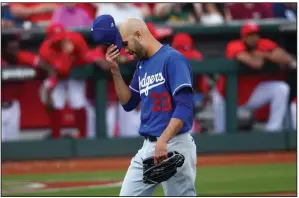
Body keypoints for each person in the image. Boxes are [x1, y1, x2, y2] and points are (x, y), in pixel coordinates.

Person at [92, 15, 197, 196]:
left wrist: (163, 141)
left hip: (174, 143)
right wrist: (115, 70)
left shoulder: (173, 59)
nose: (125, 50)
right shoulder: (143, 65)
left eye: (125, 44)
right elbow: (128, 102)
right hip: (149, 145)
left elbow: (185, 107)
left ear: (139, 34)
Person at [213, 22, 295, 133]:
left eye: (255, 34)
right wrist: (269, 56)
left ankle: (272, 131)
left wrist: (265, 55)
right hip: (225, 96)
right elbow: (256, 63)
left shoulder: (264, 44)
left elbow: (288, 59)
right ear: (244, 37)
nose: (253, 38)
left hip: (251, 93)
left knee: (281, 88)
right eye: (250, 35)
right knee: (221, 133)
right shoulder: (234, 45)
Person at [39, 23, 107, 139]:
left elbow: (86, 57)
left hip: (76, 71)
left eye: (62, 38)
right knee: (56, 101)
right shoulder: (45, 50)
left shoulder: (76, 38)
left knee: (77, 100)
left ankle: (82, 136)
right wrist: (67, 53)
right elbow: (62, 70)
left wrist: (96, 58)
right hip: (58, 75)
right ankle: (56, 137)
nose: (61, 42)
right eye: (57, 40)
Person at [1, 34, 56, 142]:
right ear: (3, 50)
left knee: (13, 143)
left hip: (13, 105)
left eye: (16, 49)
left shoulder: (22, 56)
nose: (14, 52)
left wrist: (48, 86)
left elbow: (50, 69)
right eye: (11, 50)